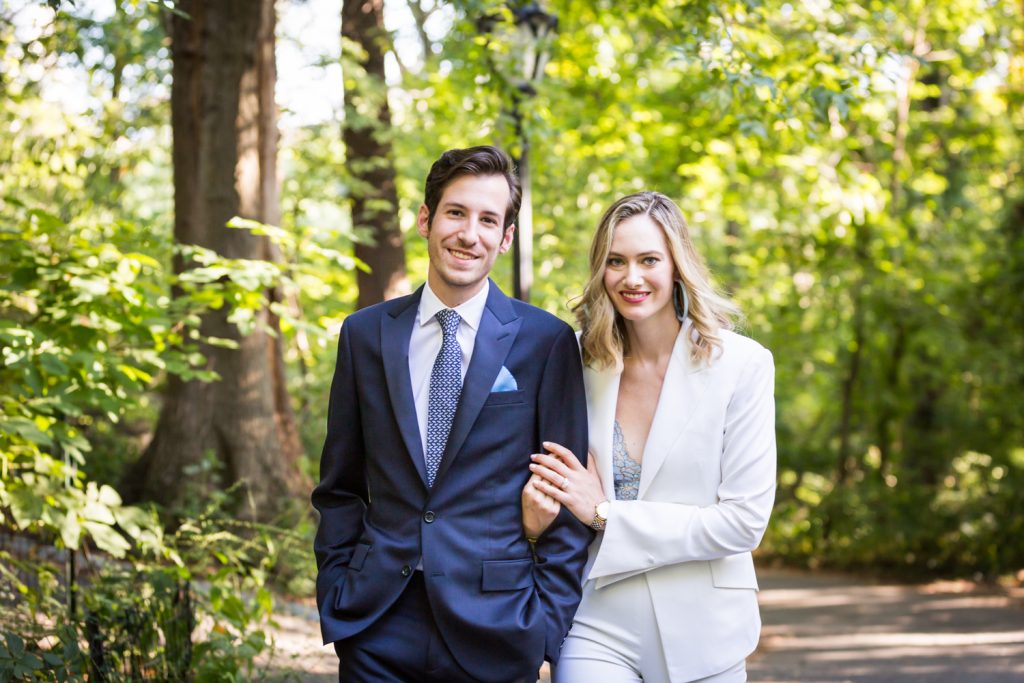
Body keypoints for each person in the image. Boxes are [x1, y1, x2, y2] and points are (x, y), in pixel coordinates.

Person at [312, 145, 592, 683]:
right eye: (456, 213)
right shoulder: (365, 335)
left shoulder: (546, 342)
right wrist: (339, 590)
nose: (470, 234)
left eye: (489, 220)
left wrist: (543, 623)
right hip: (376, 621)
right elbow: (339, 487)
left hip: (498, 624)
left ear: (506, 237)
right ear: (426, 219)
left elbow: (566, 492)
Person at [522, 191, 776, 683]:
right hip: (595, 615)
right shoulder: (573, 361)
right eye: (616, 261)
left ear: (678, 266)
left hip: (707, 625)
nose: (631, 278)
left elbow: (743, 522)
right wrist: (534, 521)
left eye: (648, 260)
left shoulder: (743, 366)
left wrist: (605, 514)